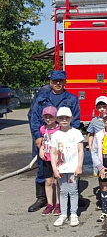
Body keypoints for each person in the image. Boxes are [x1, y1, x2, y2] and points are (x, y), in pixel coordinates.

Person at [29, 70, 80, 213]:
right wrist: (37, 136)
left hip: (65, 142)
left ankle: (72, 194)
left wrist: (70, 138)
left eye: (61, 81)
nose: (58, 83)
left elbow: (75, 121)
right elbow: (34, 118)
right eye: (55, 81)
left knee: (69, 166)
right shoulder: (41, 98)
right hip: (45, 141)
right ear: (50, 82)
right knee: (43, 169)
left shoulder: (72, 99)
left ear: (65, 82)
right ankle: (42, 198)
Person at [50, 107, 84, 227]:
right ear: (57, 119)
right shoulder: (55, 135)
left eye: (66, 118)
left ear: (71, 118)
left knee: (73, 191)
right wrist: (54, 169)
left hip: (73, 168)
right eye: (61, 118)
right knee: (63, 191)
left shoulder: (76, 133)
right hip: (61, 168)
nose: (64, 120)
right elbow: (53, 153)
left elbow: (81, 150)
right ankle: (63, 214)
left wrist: (79, 166)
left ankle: (74, 213)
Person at [35, 106, 61, 216]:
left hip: (57, 158)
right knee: (48, 181)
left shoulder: (59, 129)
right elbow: (43, 141)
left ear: (55, 117)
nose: (48, 119)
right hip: (46, 158)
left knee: (57, 181)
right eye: (46, 117)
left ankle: (58, 203)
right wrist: (41, 149)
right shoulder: (43, 129)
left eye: (50, 117)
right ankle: (49, 203)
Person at [87, 96, 107, 177]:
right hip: (98, 148)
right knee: (99, 169)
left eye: (104, 107)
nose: (102, 109)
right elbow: (91, 134)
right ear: (96, 108)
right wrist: (90, 146)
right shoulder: (94, 121)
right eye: (99, 107)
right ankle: (102, 185)